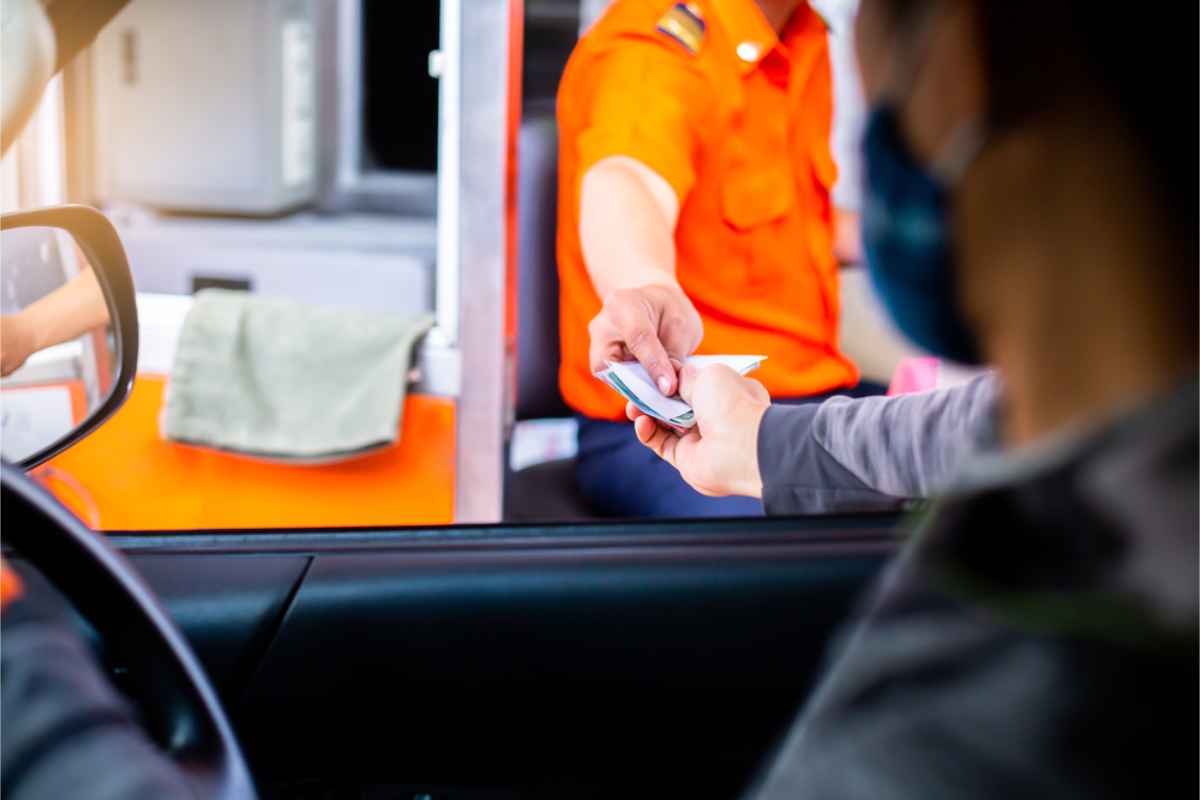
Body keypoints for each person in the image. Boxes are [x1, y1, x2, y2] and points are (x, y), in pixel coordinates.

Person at [632, 0, 1197, 794]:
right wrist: (763, 442)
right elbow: (975, 425)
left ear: (968, 50)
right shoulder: (1114, 437)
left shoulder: (961, 745)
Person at [557, 0, 882, 519]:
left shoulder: (799, 35)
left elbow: (787, 221)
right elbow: (627, 178)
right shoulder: (656, 50)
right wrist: (645, 283)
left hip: (800, 400)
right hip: (669, 427)